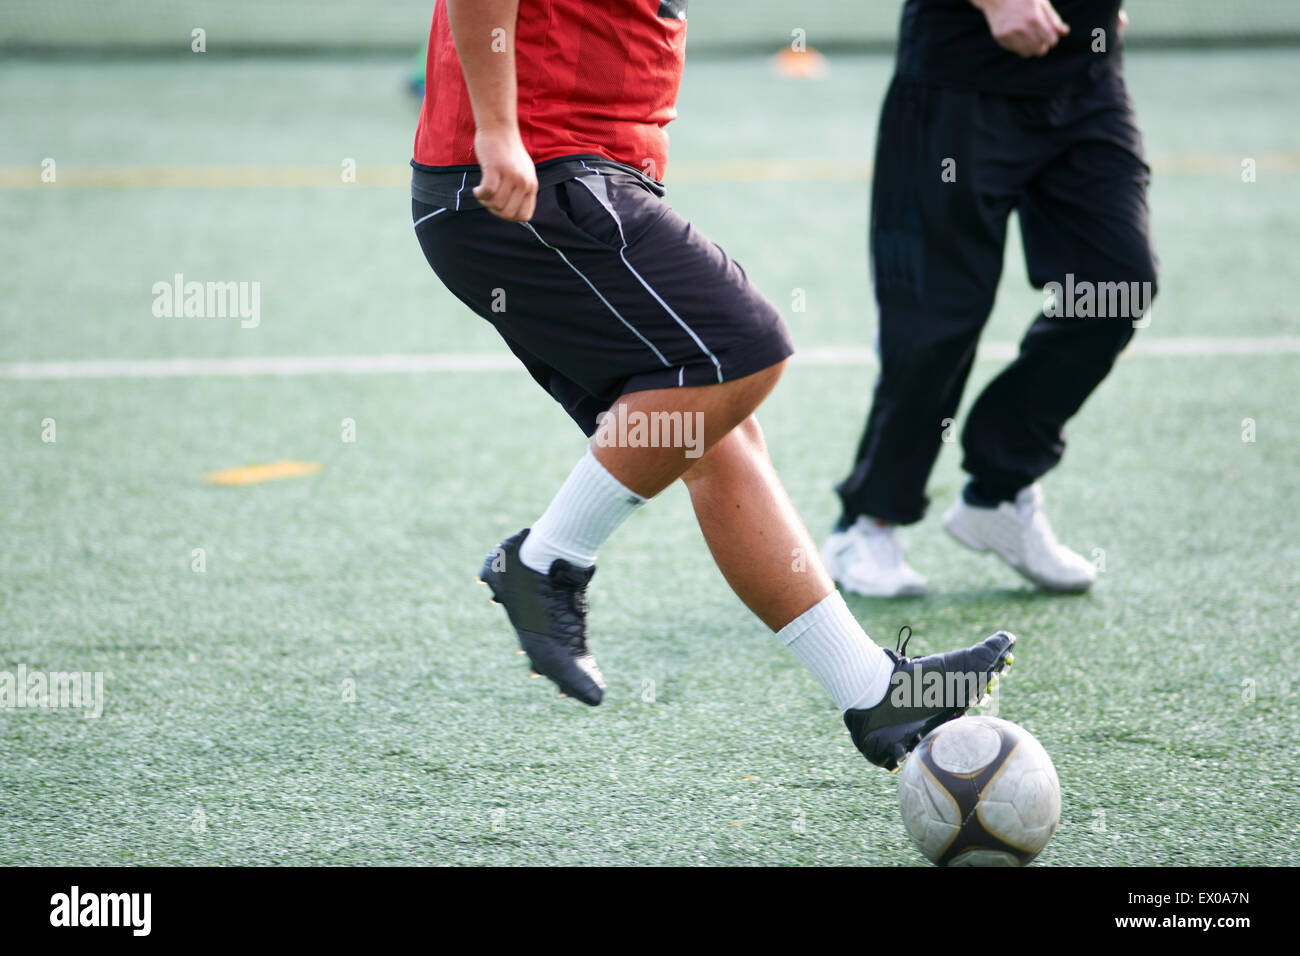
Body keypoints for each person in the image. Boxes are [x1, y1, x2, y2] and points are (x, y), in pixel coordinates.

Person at [410, 0, 1014, 771]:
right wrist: (498, 128)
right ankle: (545, 562)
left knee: (714, 437)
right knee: (739, 347)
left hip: (567, 173)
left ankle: (873, 691)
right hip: (528, 172)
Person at [823, 0, 1157, 597]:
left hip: (1088, 80)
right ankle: (866, 525)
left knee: (1116, 286)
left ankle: (1001, 487)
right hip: (957, 81)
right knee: (934, 322)